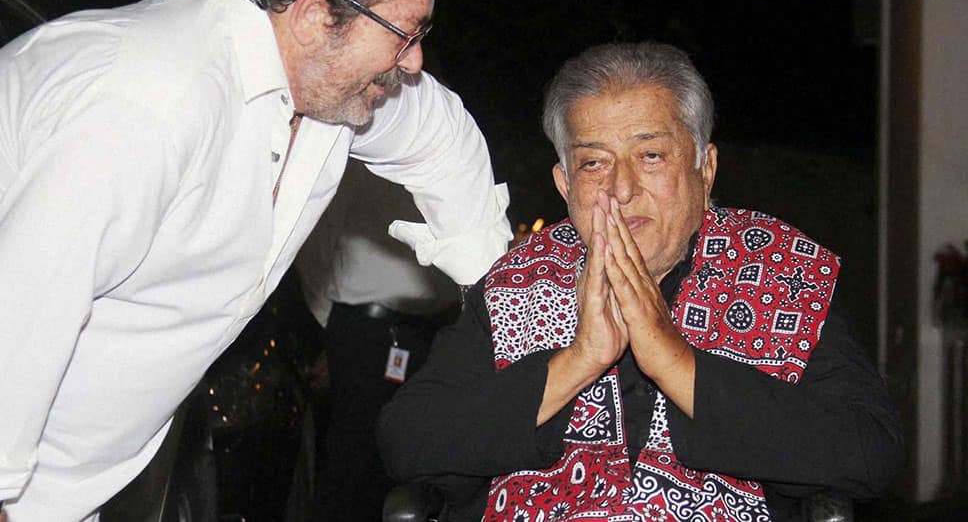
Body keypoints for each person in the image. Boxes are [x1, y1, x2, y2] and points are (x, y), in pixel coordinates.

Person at [0, 0, 512, 520]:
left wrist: (498, 308)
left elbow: (441, 135)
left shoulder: (329, 82)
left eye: (422, 34)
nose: (414, 60)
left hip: (79, 483)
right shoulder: (150, 105)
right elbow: (18, 311)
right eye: (403, 33)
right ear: (315, 14)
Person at [378, 42, 904, 522]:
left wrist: (673, 359)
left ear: (706, 167)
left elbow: (869, 453)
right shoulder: (522, 278)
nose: (622, 189)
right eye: (593, 163)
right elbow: (408, 441)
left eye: (651, 156)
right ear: (564, 184)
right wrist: (579, 359)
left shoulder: (782, 270)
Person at [296, 159, 462, 521]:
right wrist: (333, 331)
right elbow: (314, 244)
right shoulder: (356, 160)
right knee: (354, 458)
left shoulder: (445, 156)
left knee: (417, 463)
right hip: (364, 330)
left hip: (429, 333)